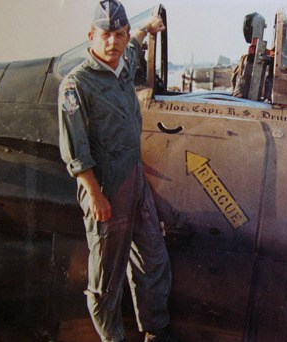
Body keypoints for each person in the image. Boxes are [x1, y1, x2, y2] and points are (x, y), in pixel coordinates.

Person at [58, 1, 175, 341]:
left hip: (134, 183)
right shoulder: (76, 85)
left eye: (120, 34)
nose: (114, 42)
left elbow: (136, 45)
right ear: (91, 37)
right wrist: (94, 195)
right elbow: (75, 149)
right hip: (105, 188)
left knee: (152, 259)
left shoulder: (124, 65)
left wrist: (147, 27)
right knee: (106, 279)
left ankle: (155, 331)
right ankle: (113, 338)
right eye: (106, 35)